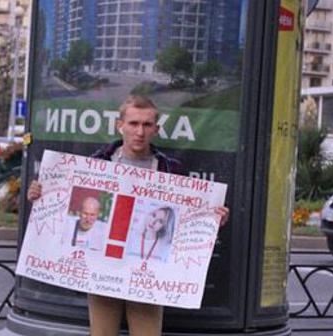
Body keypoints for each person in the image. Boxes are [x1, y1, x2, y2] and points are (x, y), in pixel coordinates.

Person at [27, 95, 230, 336]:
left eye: (146, 125)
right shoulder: (95, 164)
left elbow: (185, 224)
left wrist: (212, 220)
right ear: (119, 125)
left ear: (157, 129)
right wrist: (41, 195)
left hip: (148, 274)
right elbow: (62, 209)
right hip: (102, 270)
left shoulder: (172, 170)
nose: (140, 132)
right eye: (133, 124)